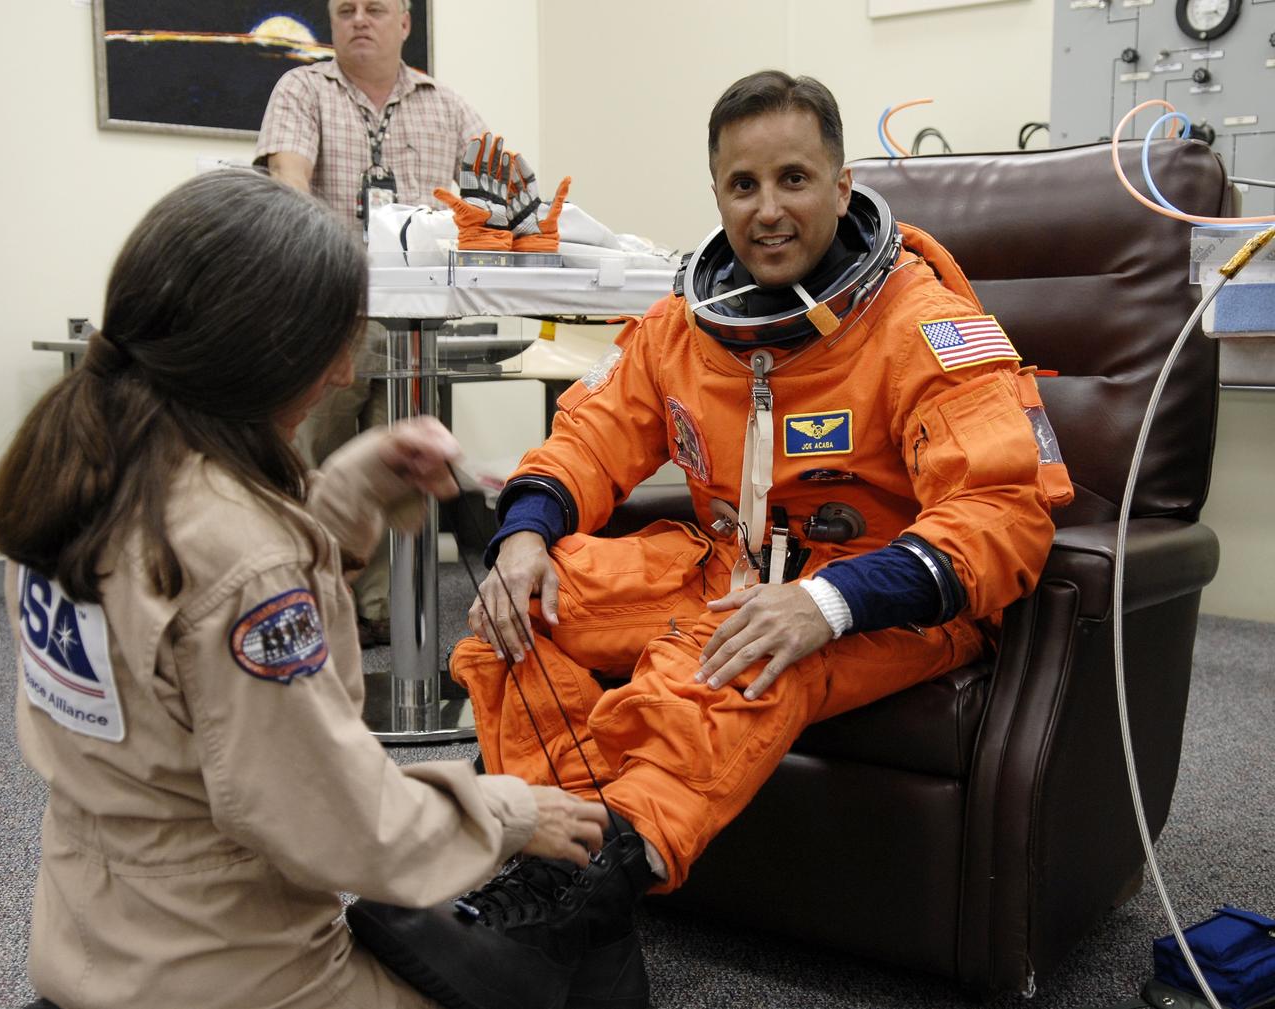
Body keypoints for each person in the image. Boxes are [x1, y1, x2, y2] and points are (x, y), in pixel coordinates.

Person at [347, 71, 1075, 1009]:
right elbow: (588, 437)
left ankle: (553, 916)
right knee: (518, 612)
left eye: (793, 179)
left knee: (727, 653)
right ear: (718, 192)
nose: (768, 210)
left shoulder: (923, 324)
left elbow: (1004, 512)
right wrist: (526, 536)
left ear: (842, 185)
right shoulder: (686, 327)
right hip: (725, 563)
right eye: (743, 185)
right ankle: (572, 903)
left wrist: (826, 601)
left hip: (884, 597)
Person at [0, 171, 608, 1009]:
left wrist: (345, 496)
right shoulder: (244, 559)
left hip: (96, 939)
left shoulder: (75, 466)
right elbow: (339, 819)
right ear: (265, 354)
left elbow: (184, 664)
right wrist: (508, 814)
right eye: (334, 342)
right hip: (236, 973)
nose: (344, 370)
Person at [254, 0, 487, 646]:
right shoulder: (303, 89)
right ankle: (308, 602)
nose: (360, 20)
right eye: (345, 9)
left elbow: (497, 190)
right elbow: (287, 183)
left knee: (398, 466)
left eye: (375, 9)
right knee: (317, 459)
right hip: (331, 312)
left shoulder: (448, 107)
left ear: (405, 24)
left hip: (415, 320)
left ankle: (379, 612)